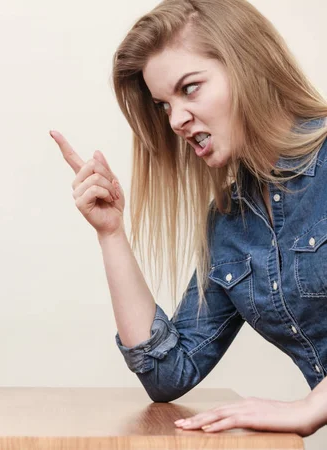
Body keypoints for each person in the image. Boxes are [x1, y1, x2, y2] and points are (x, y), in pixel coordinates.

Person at [51, 0, 327, 436]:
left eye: (190, 88)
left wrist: (314, 404)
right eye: (164, 105)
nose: (176, 119)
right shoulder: (231, 223)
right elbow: (168, 374)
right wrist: (111, 233)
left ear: (248, 66)